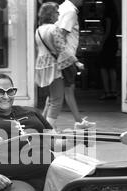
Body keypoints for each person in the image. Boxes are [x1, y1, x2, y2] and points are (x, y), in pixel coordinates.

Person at [35, 2, 78, 130]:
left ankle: (45, 126)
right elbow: (62, 49)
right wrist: (76, 62)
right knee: (57, 100)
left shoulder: (39, 30)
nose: (59, 15)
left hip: (43, 67)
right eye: (56, 13)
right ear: (51, 14)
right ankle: (48, 129)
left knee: (52, 98)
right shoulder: (54, 29)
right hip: (54, 68)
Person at [56, 0, 96, 130]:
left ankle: (78, 121)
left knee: (56, 93)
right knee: (64, 92)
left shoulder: (62, 8)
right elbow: (61, 36)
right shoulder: (70, 12)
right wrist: (74, 60)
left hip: (61, 57)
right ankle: (77, 122)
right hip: (66, 58)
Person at [98, 0, 119, 100]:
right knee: (112, 67)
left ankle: (107, 91)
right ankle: (113, 91)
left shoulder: (107, 17)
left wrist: (101, 43)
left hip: (108, 43)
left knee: (103, 67)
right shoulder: (115, 16)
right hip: (113, 41)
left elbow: (107, 32)